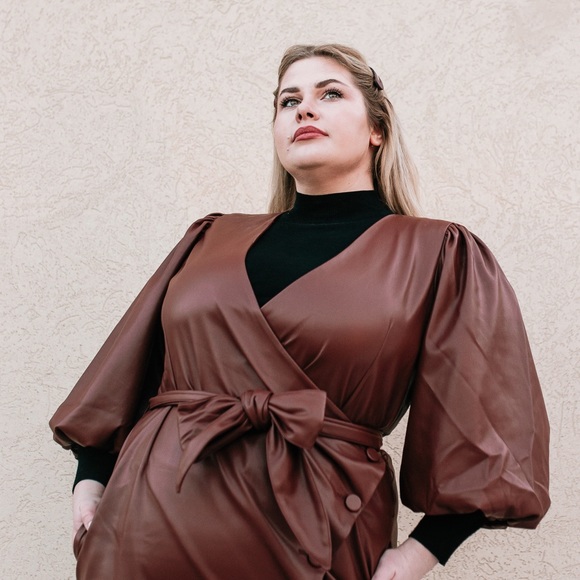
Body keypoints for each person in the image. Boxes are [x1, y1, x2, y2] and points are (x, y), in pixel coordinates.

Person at [50, 44, 550, 579]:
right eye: (288, 101)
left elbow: (486, 423)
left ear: (377, 129)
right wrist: (90, 480)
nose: (304, 108)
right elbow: (126, 372)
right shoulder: (209, 238)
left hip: (318, 538)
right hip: (145, 531)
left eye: (329, 94)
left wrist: (420, 553)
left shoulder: (439, 253)